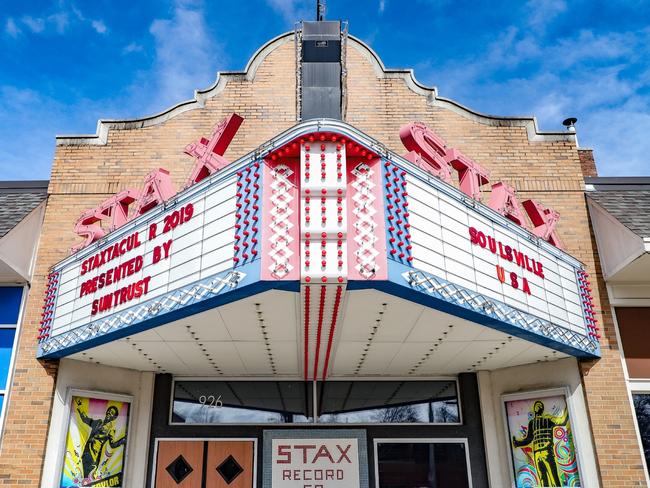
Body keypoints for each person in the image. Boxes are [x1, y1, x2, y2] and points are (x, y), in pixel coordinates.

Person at [512, 400, 568, 487]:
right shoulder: (543, 421)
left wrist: (517, 443)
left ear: (536, 410)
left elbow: (528, 440)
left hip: (541, 453)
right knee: (548, 479)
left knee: (548, 480)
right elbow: (562, 421)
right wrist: (517, 443)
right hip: (542, 453)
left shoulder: (538, 422)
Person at [76, 400, 127, 480]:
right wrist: (79, 407)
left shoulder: (111, 430)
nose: (109, 413)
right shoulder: (98, 422)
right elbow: (85, 419)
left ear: (113, 418)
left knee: (89, 478)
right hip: (86, 452)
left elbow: (112, 444)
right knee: (84, 478)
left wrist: (123, 440)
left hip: (94, 455)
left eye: (111, 413)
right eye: (109, 411)